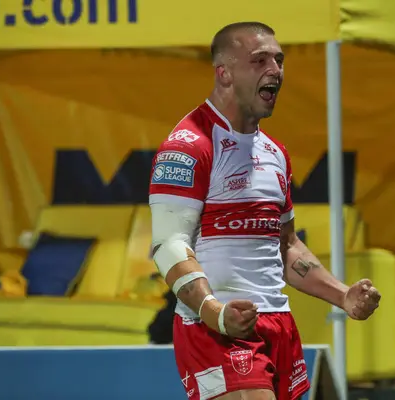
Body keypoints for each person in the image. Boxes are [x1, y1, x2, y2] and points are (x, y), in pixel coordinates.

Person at [148, 22, 381, 400]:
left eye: (279, 59)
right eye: (259, 61)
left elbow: (286, 246)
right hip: (216, 328)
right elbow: (168, 245)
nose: (275, 70)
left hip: (278, 324)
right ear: (223, 73)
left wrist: (343, 295)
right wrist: (214, 312)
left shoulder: (275, 153)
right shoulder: (189, 146)